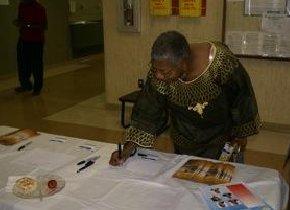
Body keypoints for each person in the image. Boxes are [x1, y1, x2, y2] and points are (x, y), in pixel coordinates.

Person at [109, 31, 260, 166]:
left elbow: (242, 98)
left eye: (165, 72)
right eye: (155, 70)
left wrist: (241, 135)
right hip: (183, 142)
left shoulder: (221, 63)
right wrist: (126, 151)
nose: (158, 76)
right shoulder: (162, 69)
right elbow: (148, 112)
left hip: (220, 140)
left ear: (183, 62)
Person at [13, 0, 47, 95]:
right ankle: (25, 85)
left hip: (36, 41)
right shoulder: (22, 6)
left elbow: (43, 26)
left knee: (36, 65)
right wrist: (19, 23)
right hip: (23, 39)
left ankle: (37, 88)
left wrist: (27, 25)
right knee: (22, 63)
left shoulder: (39, 8)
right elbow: (20, 19)